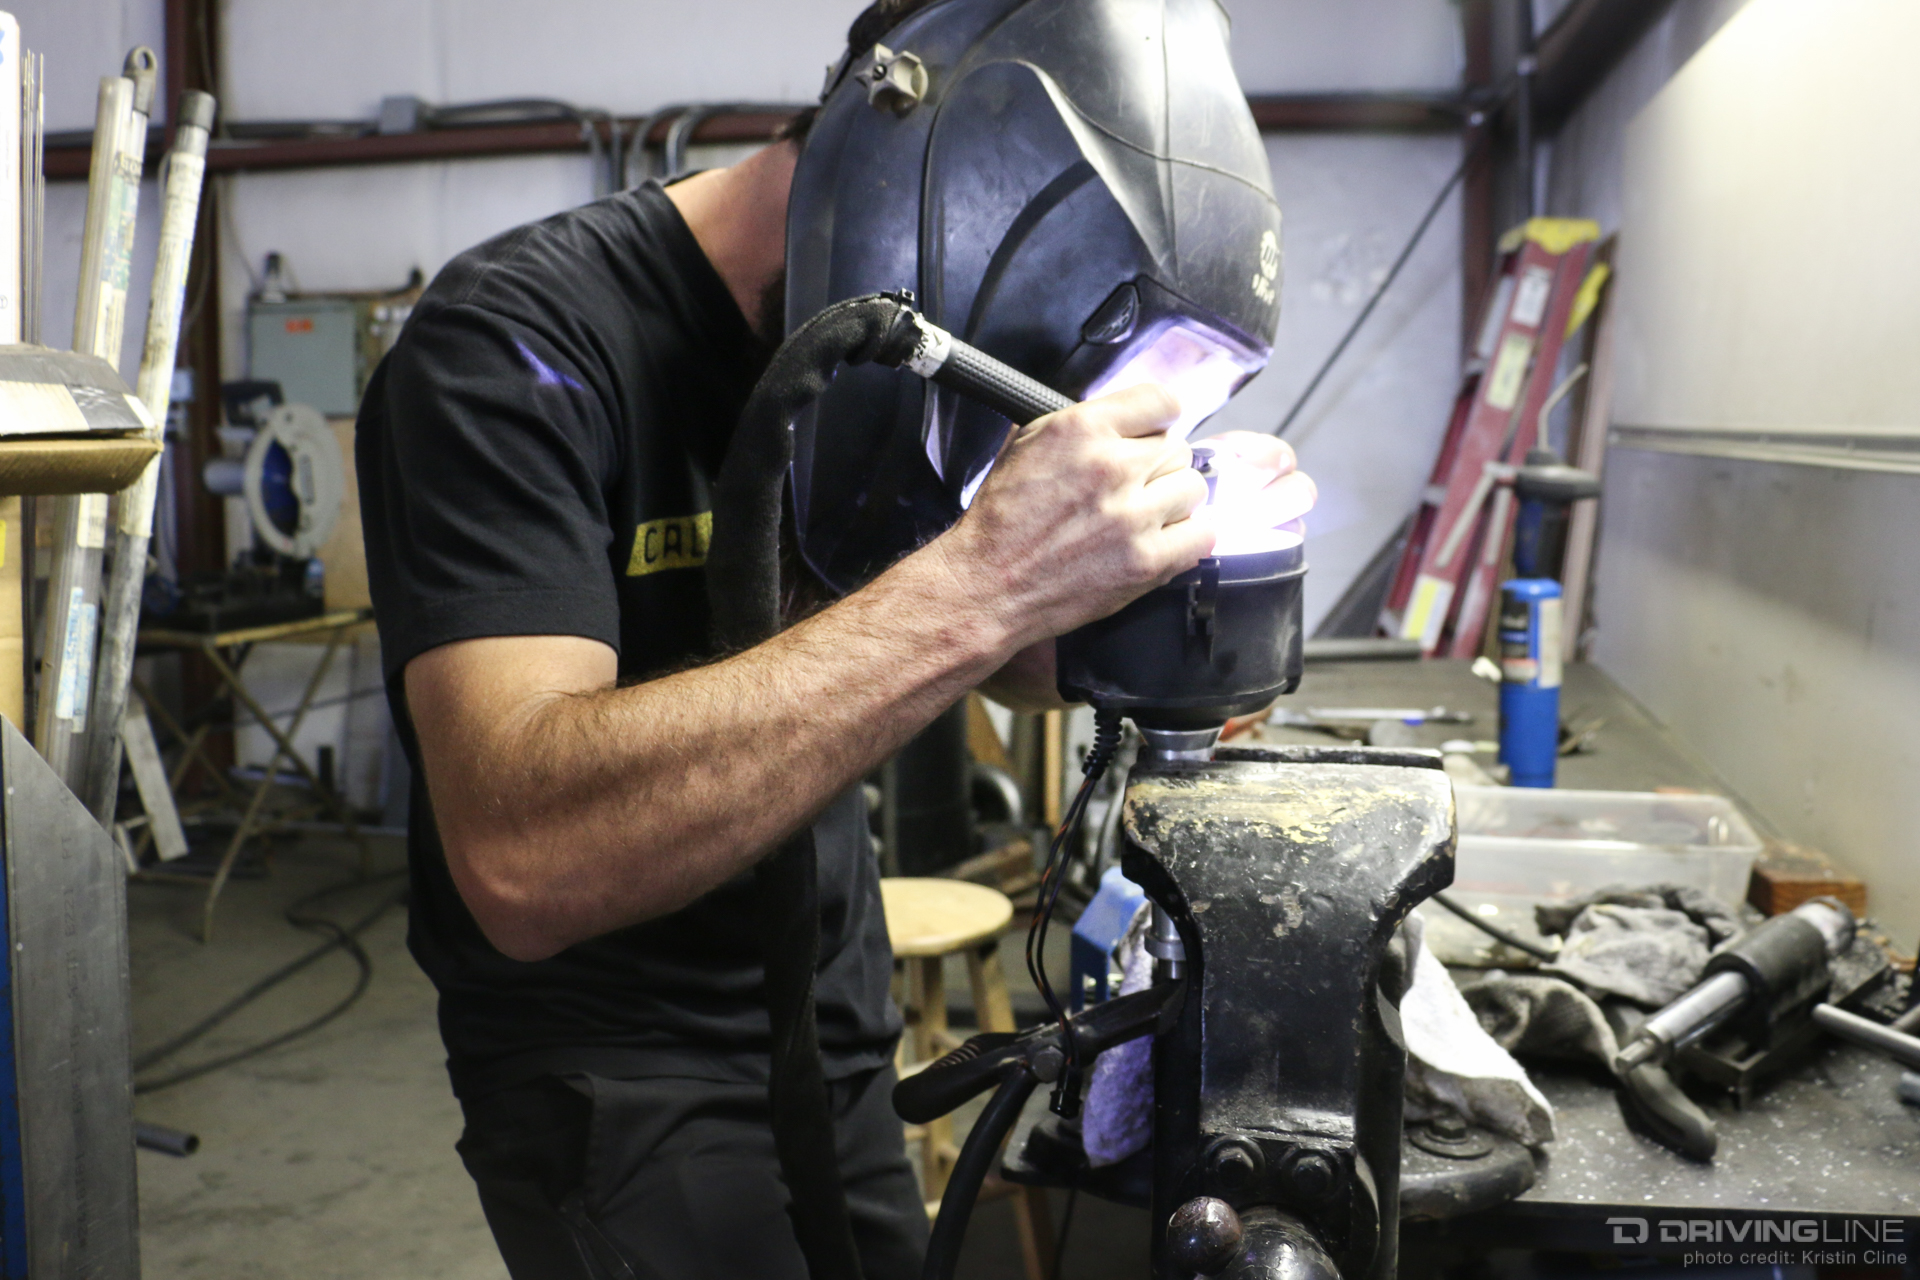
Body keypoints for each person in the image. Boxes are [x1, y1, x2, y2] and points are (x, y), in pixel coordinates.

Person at [356, 3, 1317, 1276]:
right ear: (912, 190)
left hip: (830, 1013)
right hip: (613, 1061)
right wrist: (986, 581)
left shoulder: (931, 327)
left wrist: (1146, 561)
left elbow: (1009, 661)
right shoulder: (513, 350)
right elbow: (527, 858)